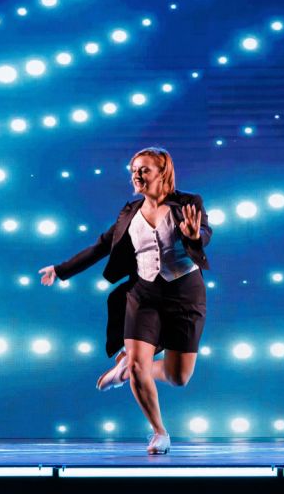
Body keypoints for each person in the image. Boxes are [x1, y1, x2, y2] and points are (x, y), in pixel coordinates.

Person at [38, 147, 211, 455]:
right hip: (143, 295)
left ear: (162, 173)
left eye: (144, 169)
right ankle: (159, 432)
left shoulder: (188, 203)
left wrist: (195, 237)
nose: (136, 175)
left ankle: (127, 368)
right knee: (138, 363)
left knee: (179, 377)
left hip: (185, 295)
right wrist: (61, 270)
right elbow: (101, 246)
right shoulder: (130, 212)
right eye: (134, 170)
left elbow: (204, 232)